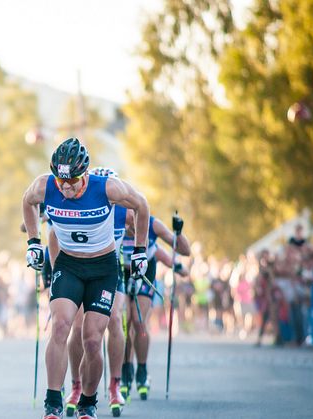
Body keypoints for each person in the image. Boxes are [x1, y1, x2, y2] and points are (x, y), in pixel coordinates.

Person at [22, 138, 150, 419]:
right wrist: (33, 241)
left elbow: (142, 205)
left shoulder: (107, 188)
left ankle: (88, 402)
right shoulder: (46, 186)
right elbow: (27, 201)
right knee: (60, 327)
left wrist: (140, 250)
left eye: (73, 181)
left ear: (86, 175)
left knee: (92, 340)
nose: (66, 188)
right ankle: (53, 402)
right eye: (61, 181)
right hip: (68, 266)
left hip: (103, 270)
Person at [58, 166, 132, 417]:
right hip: (81, 268)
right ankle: (76, 386)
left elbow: (148, 222)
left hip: (112, 271)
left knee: (114, 318)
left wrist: (143, 253)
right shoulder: (81, 202)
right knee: (78, 327)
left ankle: (115, 384)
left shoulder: (125, 211)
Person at [120, 212, 189, 401]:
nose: (132, 226)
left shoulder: (152, 224)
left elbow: (184, 251)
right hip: (122, 272)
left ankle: (142, 370)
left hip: (144, 273)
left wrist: (179, 232)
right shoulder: (114, 220)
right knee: (123, 324)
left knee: (138, 320)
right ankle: (126, 368)